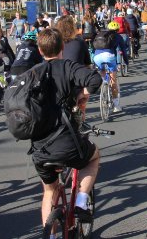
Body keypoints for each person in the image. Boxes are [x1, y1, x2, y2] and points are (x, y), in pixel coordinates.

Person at [31, 29, 102, 231]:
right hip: (67, 141)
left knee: (49, 191)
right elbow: (95, 80)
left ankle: (51, 235)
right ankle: (81, 201)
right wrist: (82, 95)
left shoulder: (33, 73)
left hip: (40, 148)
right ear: (63, 47)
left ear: (40, 50)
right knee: (94, 157)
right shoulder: (68, 67)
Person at [91, 21, 129, 112]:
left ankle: (104, 85)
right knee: (113, 81)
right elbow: (123, 50)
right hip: (109, 56)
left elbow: (93, 48)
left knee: (103, 73)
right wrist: (126, 61)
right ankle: (116, 106)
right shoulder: (118, 36)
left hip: (97, 56)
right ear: (117, 30)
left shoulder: (101, 35)